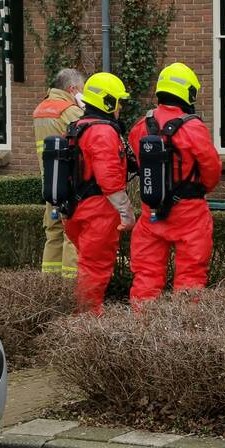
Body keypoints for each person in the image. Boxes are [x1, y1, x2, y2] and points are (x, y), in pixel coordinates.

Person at [127, 63, 221, 307]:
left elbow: (135, 161)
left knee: (146, 276)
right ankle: (184, 335)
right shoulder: (192, 127)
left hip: (152, 210)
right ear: (188, 93)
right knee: (190, 278)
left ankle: (141, 331)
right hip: (189, 212)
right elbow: (211, 170)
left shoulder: (141, 125)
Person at [61, 72, 136, 314]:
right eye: (118, 101)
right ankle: (88, 319)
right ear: (107, 101)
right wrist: (126, 213)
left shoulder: (77, 127)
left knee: (86, 265)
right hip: (98, 213)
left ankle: (84, 313)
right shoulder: (103, 132)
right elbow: (109, 180)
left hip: (75, 209)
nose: (120, 107)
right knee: (95, 268)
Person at [33, 68, 86, 279]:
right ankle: (69, 288)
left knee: (53, 233)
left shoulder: (40, 109)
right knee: (71, 235)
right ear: (72, 89)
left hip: (50, 183)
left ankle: (49, 285)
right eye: (81, 90)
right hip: (71, 183)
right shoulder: (69, 111)